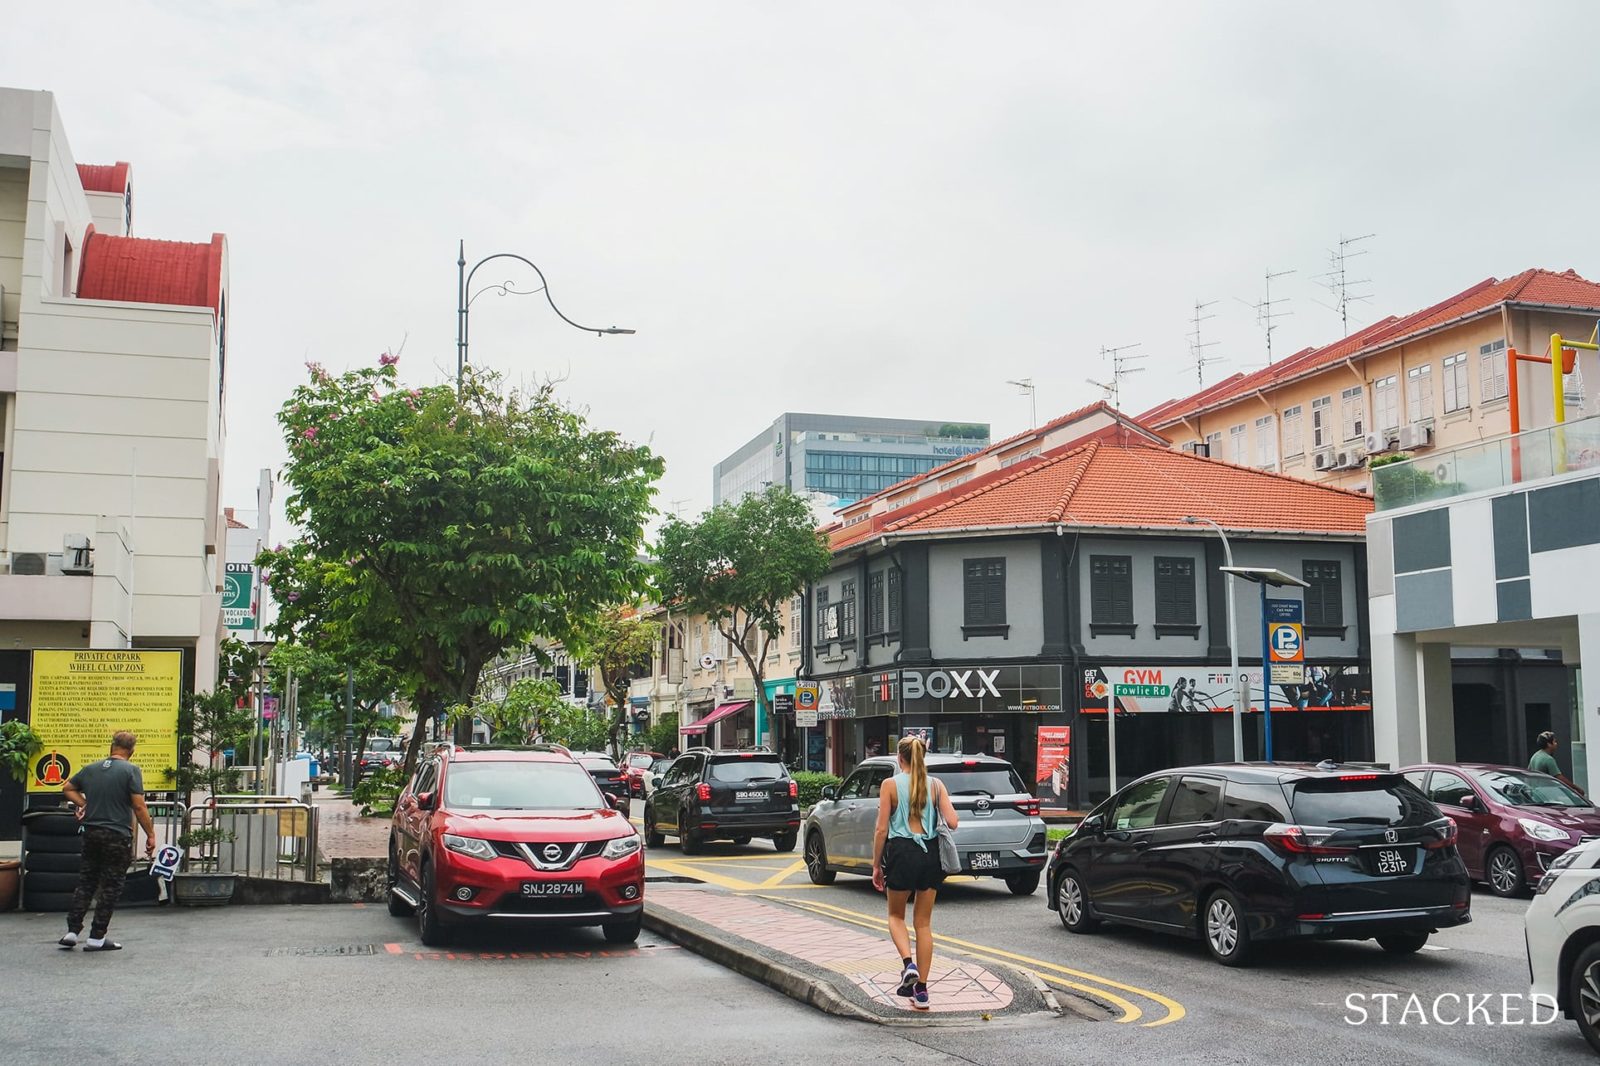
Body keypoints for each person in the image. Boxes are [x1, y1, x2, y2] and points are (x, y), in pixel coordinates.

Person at [870, 735, 959, 1012]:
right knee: (923, 924)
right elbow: (953, 822)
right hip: (930, 854)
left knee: (896, 916)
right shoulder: (936, 785)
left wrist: (876, 865)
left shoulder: (889, 785)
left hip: (901, 853)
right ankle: (921, 991)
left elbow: (881, 830)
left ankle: (908, 965)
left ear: (900, 758)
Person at [58, 732, 157, 952]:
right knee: (111, 886)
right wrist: (150, 834)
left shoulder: (92, 768)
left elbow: (67, 787)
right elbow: (139, 807)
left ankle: (72, 931)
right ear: (132, 751)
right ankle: (96, 937)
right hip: (116, 835)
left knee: (86, 882)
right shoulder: (131, 770)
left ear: (111, 747)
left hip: (91, 832)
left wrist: (85, 804)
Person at [1530, 732, 1586, 796]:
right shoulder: (1548, 759)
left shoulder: (1535, 756)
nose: (1556, 744)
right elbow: (1559, 778)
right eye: (1554, 742)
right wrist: (1577, 788)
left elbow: (1529, 772)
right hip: (1546, 794)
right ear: (1549, 744)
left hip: (1535, 793)